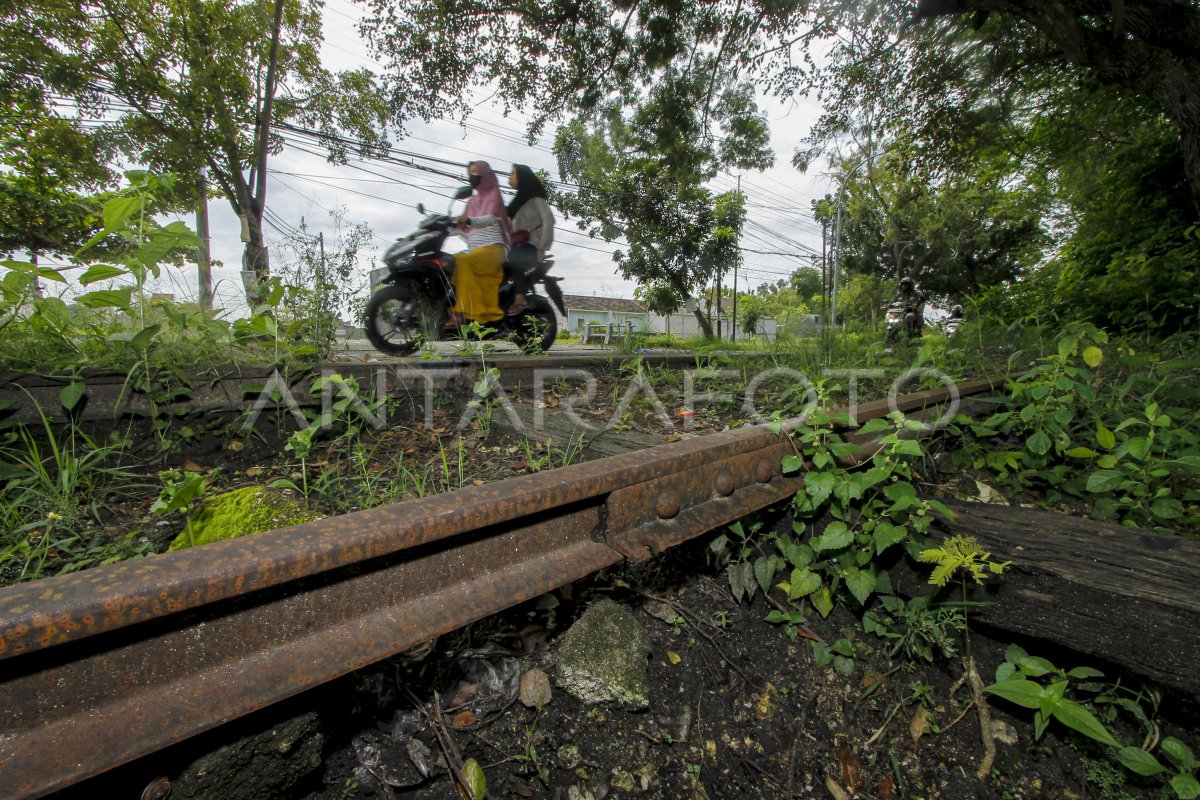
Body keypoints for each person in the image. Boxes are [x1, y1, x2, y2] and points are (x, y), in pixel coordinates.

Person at [447, 161, 511, 328]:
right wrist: (444, 229)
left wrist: (468, 220)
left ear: (485, 175)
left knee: (465, 262)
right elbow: (463, 228)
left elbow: (490, 219)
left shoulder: (494, 196)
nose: (472, 177)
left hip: (494, 249)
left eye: (475, 173)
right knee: (450, 262)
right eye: (470, 173)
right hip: (474, 250)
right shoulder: (472, 202)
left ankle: (461, 312)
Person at [505, 164, 555, 315]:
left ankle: (520, 298)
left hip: (531, 246)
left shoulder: (536, 199)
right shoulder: (515, 202)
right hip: (515, 245)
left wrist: (542, 248)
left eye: (513, 173)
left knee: (514, 256)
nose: (509, 177)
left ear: (522, 176)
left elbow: (548, 221)